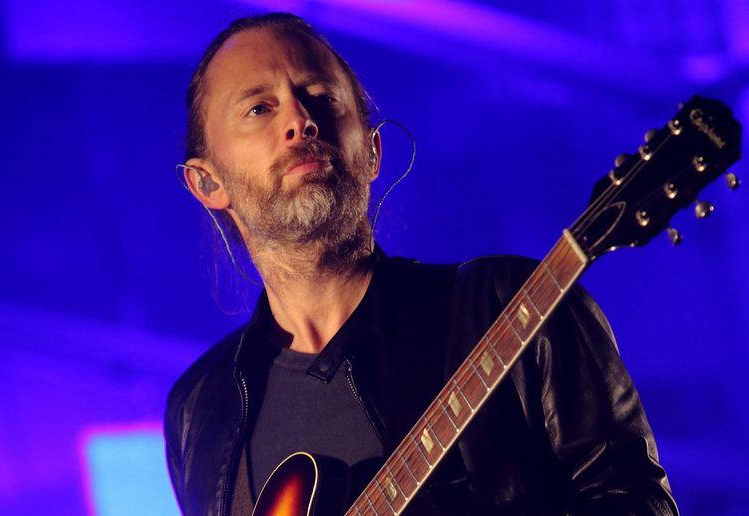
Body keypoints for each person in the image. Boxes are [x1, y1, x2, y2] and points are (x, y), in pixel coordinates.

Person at [164, 12, 677, 516]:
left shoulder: (510, 307)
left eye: (321, 95)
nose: (300, 120)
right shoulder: (199, 412)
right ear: (208, 183)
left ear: (370, 153)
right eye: (259, 108)